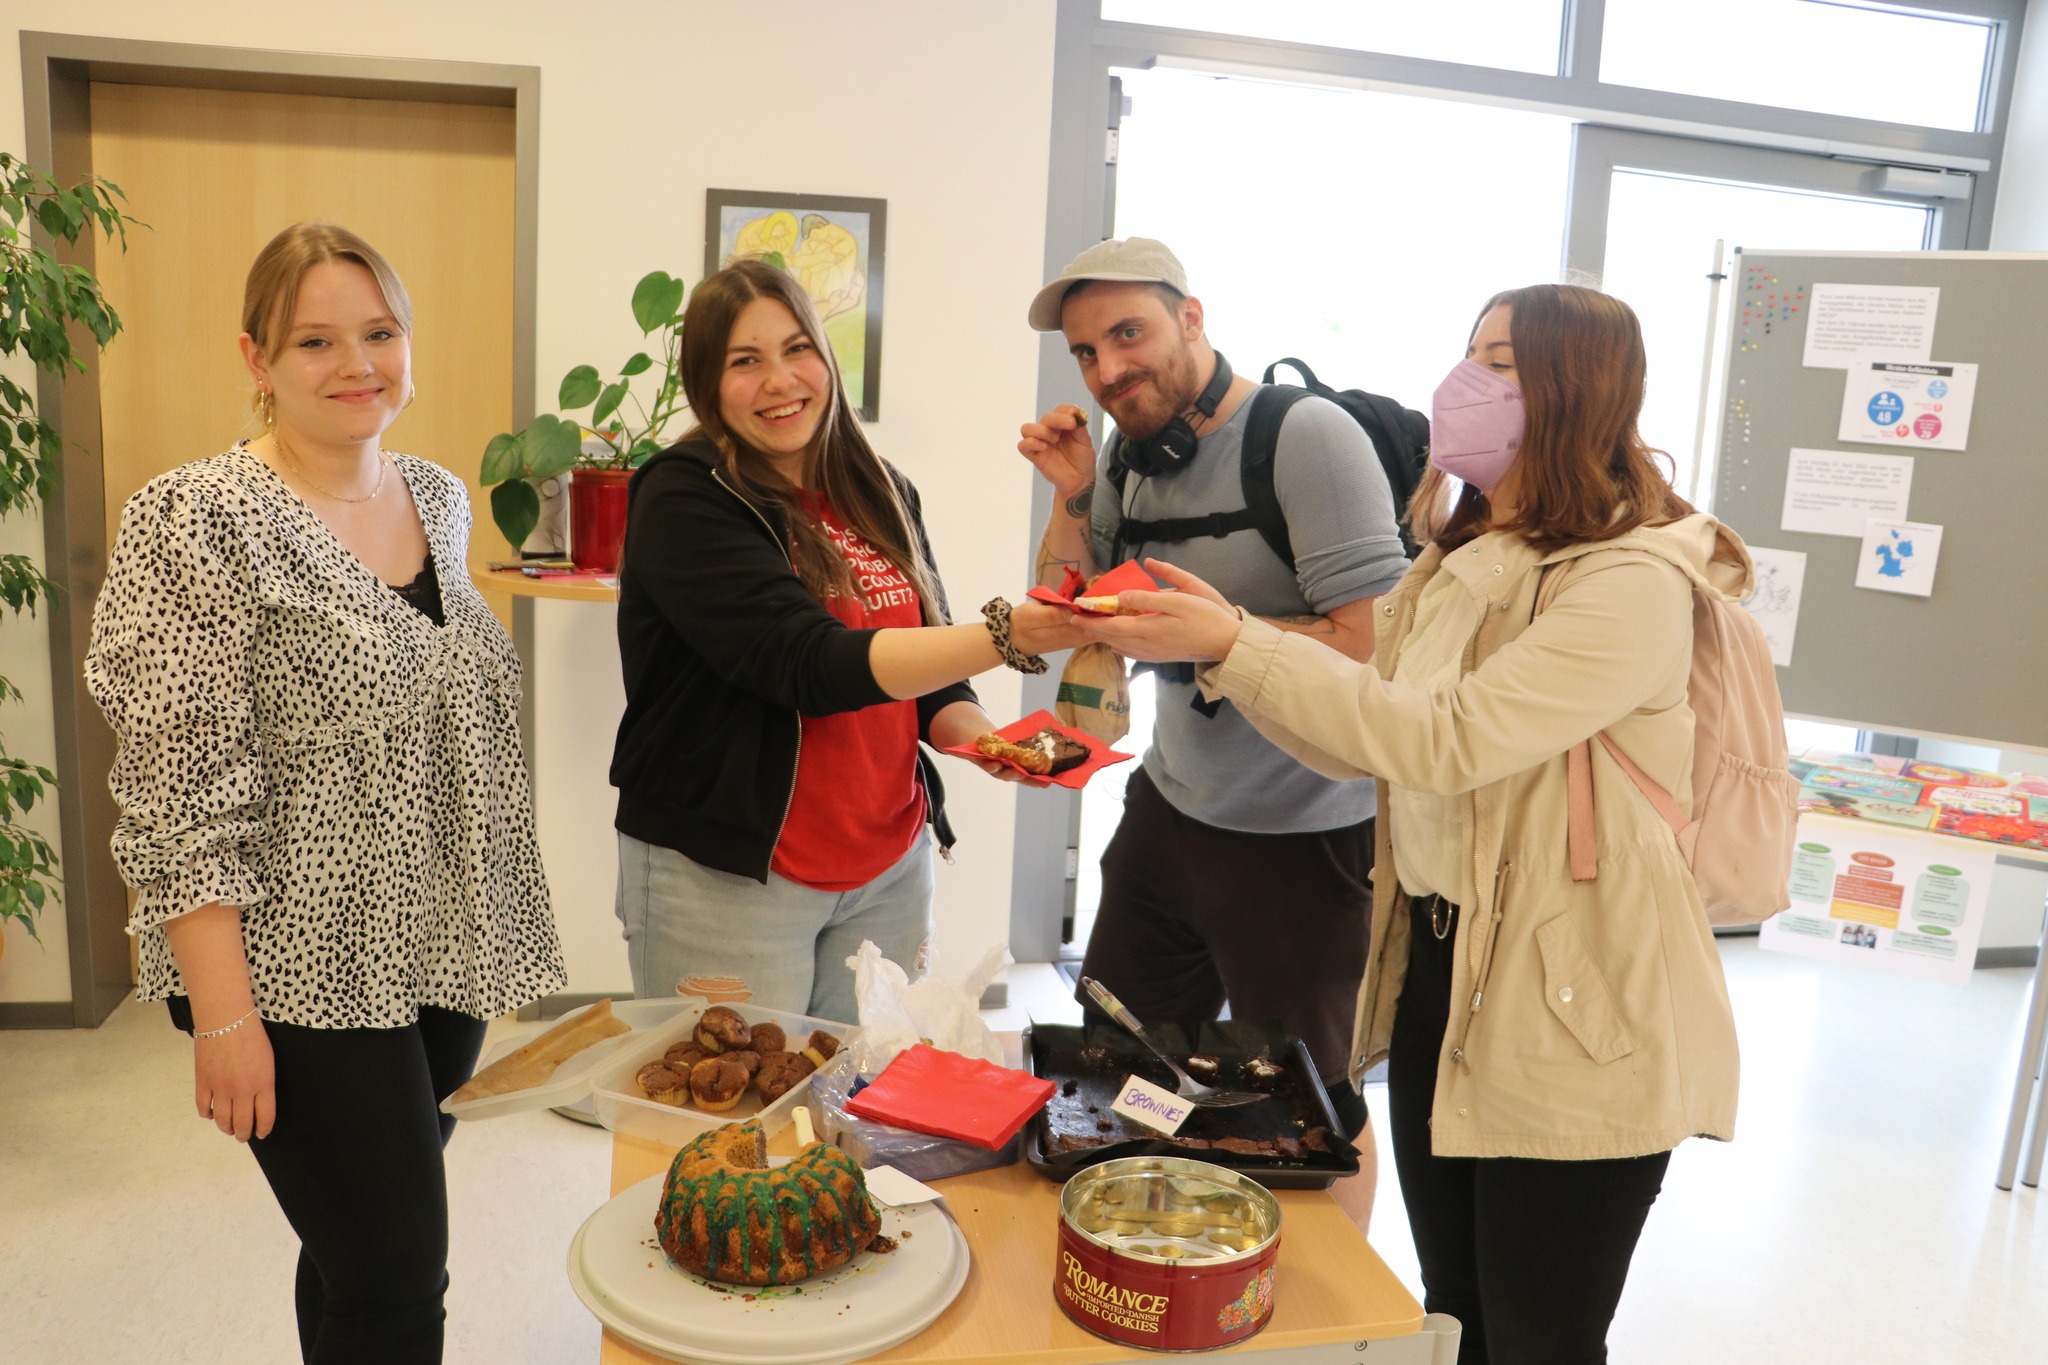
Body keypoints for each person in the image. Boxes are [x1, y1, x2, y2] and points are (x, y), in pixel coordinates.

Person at [1078, 283, 1745, 1365]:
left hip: (1576, 997)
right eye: (1467, 354)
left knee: (1539, 1333)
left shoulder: (1628, 581)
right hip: (1449, 971)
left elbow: (1444, 738)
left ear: (1579, 391)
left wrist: (1235, 638)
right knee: (1455, 1304)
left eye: (1501, 364)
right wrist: (1221, 652)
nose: (1460, 385)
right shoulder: (1461, 559)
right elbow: (1365, 743)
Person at [85, 223, 564, 1364]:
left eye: (380, 332)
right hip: (293, 966)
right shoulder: (192, 517)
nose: (357, 364)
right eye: (315, 340)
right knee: (402, 1276)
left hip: (435, 942)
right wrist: (225, 1018)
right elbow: (175, 786)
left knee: (354, 1251)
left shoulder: (440, 499)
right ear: (255, 358)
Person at [611, 259, 1083, 1020]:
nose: (780, 379)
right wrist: (1004, 634)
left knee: (854, 1107)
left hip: (888, 867)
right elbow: (807, 662)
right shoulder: (686, 495)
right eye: (744, 360)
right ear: (706, 381)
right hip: (731, 874)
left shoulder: (882, 487)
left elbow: (927, 668)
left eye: (798, 348)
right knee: (728, 1121)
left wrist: (986, 740)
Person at [1018, 237, 1408, 1149]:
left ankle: (1325, 1292)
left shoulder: (1304, 437)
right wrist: (1075, 495)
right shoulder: (1122, 453)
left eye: (1128, 333)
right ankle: (1173, 1201)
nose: (1108, 370)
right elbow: (1071, 611)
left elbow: (1373, 646)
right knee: (1122, 1071)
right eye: (1085, 351)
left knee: (1309, 1115)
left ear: (1192, 319)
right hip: (1170, 816)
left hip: (1304, 840)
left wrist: (1221, 639)